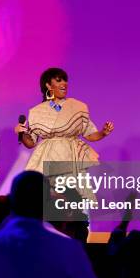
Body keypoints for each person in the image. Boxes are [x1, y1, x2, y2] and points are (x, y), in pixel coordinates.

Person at [14, 67, 113, 220]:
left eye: (65, 80)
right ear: (48, 85)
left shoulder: (78, 106)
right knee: (49, 196)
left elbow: (89, 133)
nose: (64, 84)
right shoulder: (37, 111)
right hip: (47, 157)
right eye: (59, 80)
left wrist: (103, 132)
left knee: (73, 196)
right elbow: (30, 142)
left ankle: (77, 230)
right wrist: (21, 133)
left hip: (71, 155)